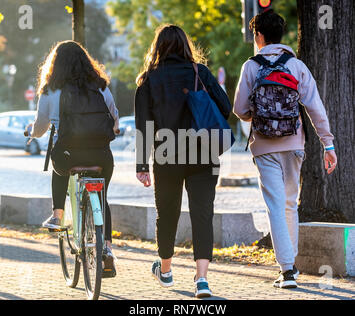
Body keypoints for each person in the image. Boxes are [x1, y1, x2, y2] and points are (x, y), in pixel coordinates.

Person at [234, 10, 337, 289]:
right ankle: (290, 265)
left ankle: (288, 270)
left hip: (264, 147)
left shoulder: (251, 67)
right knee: (290, 204)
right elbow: (315, 107)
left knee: (276, 206)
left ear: (258, 36)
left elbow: (240, 109)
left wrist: (260, 114)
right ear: (281, 34)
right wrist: (327, 143)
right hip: (294, 144)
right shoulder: (296, 66)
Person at [134, 24, 232, 298]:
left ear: (158, 47)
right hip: (204, 154)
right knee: (203, 215)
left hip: (167, 156)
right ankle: (202, 280)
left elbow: (144, 127)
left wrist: (142, 166)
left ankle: (165, 271)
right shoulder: (201, 73)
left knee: (167, 214)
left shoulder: (148, 80)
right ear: (185, 45)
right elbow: (225, 108)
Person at [25, 40, 119, 278]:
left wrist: (31, 132)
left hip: (68, 155)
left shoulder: (50, 90)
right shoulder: (100, 86)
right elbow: (115, 119)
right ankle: (106, 248)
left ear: (54, 65)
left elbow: (41, 127)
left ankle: (57, 216)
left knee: (59, 169)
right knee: (102, 194)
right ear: (86, 62)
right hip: (101, 155)